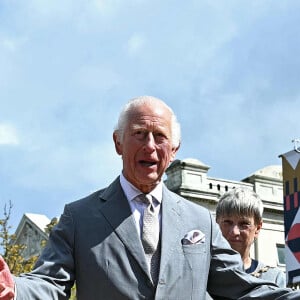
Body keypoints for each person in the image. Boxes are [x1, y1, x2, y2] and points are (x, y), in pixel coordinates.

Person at [0, 95, 299, 299]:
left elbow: (244, 289)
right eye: (140, 134)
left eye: (160, 137)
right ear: (118, 143)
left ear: (175, 149)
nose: (151, 146)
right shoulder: (79, 218)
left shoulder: (201, 221)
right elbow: (49, 283)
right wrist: (12, 287)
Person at [215, 187, 286, 287]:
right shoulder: (203, 273)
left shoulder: (273, 278)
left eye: (244, 224)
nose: (235, 232)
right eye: (227, 222)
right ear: (216, 224)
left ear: (257, 228)